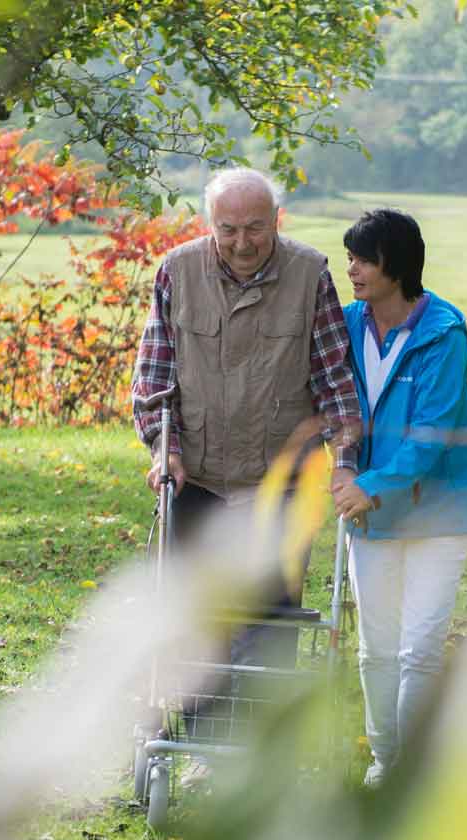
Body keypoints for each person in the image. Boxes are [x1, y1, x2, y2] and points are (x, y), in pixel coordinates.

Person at [131, 167, 361, 663]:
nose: (241, 242)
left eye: (255, 227)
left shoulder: (309, 274)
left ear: (277, 220)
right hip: (197, 479)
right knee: (193, 620)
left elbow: (333, 380)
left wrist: (345, 461)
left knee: (270, 623)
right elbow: (153, 378)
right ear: (210, 223)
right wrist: (163, 449)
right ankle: (194, 733)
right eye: (228, 229)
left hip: (280, 483)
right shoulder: (176, 271)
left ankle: (260, 732)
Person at [330, 209, 467, 787]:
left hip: (438, 518)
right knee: (376, 651)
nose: (353, 270)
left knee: (420, 649)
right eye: (350, 259)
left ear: (397, 264)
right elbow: (331, 403)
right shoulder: (344, 325)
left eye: (364, 259)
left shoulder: (443, 332)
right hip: (370, 522)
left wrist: (367, 485)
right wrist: (346, 472)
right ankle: (385, 761)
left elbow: (434, 433)